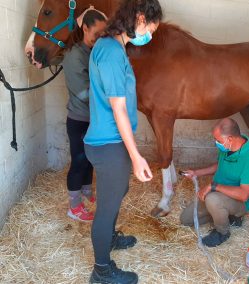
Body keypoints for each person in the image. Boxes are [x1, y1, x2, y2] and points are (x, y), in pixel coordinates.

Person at [83, 0, 163, 283]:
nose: (149, 36)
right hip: (109, 143)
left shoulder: (113, 48)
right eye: (150, 29)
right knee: (106, 207)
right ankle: (101, 272)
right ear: (139, 18)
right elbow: (117, 107)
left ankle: (110, 238)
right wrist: (136, 155)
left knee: (116, 193)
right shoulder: (111, 52)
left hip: (109, 142)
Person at [180, 118, 249, 247]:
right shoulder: (227, 147)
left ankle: (222, 232)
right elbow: (219, 166)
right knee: (185, 219)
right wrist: (196, 173)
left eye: (218, 140)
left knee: (212, 199)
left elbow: (244, 195)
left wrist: (213, 186)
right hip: (218, 194)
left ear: (229, 139)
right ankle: (226, 216)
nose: (216, 143)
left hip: (239, 201)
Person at [62, 7, 107, 222]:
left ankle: (87, 192)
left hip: (92, 119)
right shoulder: (74, 55)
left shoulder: (92, 52)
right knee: (79, 161)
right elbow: (83, 92)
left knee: (89, 159)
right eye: (96, 34)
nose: (100, 39)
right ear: (85, 28)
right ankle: (74, 205)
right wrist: (111, 98)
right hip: (79, 119)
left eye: (103, 35)